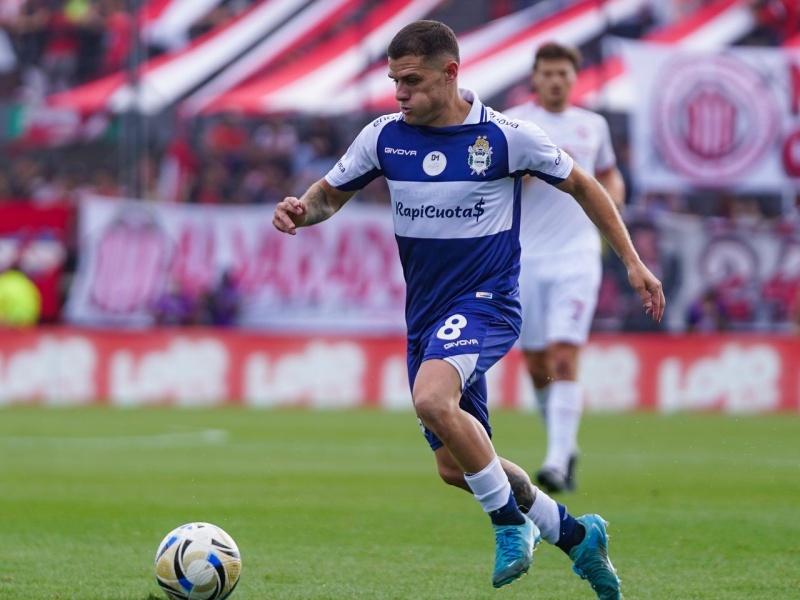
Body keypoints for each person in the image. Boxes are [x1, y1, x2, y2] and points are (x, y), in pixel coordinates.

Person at [273, 20, 664, 598]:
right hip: (426, 316)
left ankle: (509, 524)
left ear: (450, 73)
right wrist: (301, 211)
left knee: (432, 400)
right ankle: (578, 536)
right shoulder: (383, 137)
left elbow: (585, 185)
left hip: (487, 301)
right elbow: (329, 194)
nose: (399, 93)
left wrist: (631, 261)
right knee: (458, 467)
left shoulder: (507, 138)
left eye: (411, 81)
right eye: (394, 81)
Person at [504, 42, 627, 494]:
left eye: (563, 74)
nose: (556, 81)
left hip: (577, 255)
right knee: (538, 365)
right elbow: (492, 180)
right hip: (525, 258)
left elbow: (609, 173)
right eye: (548, 73)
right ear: (535, 78)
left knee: (563, 356)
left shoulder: (592, 125)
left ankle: (556, 461)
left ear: (574, 78)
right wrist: (517, 174)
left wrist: (613, 200)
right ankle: (563, 444)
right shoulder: (513, 124)